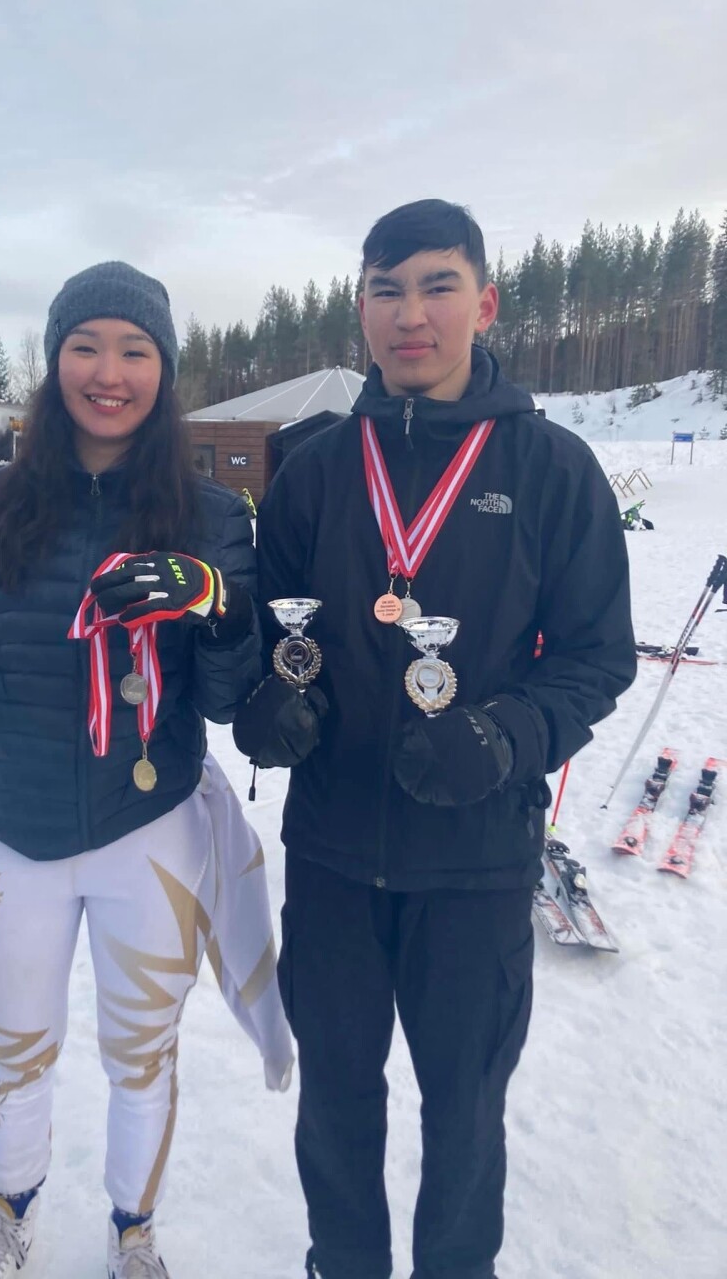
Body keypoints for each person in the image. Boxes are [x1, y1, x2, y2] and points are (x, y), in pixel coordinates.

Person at [0, 262, 291, 1279]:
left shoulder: (211, 515)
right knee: (17, 1041)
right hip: (12, 823)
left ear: (165, 371)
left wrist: (214, 598)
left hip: (149, 826)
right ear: (54, 362)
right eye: (87, 346)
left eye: (135, 350)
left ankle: (134, 1229)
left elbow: (225, 697)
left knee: (141, 1052)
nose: (109, 372)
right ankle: (12, 1206)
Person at [233, 200, 637, 1279]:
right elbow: (276, 642)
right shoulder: (312, 468)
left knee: (466, 1112)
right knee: (337, 1102)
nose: (410, 313)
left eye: (436, 284)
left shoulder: (553, 467)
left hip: (476, 862)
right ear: (359, 310)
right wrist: (270, 712)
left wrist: (509, 734)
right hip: (330, 859)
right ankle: (344, 1261)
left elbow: (599, 656)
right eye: (386, 289)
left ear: (484, 301)